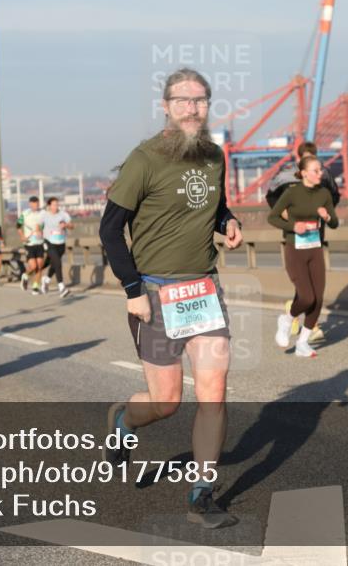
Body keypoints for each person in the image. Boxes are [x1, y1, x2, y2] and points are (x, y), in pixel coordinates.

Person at [99, 68, 243, 528]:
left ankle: (202, 490)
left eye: (199, 101)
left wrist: (228, 222)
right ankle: (124, 420)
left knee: (213, 394)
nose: (191, 108)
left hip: (203, 290)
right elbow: (110, 229)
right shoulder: (145, 159)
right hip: (156, 294)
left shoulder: (214, 157)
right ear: (165, 105)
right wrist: (132, 290)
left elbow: (213, 206)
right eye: (181, 100)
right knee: (165, 403)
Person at [266, 141, 340, 342]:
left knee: (314, 290)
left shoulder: (323, 176)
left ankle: (305, 330)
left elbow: (334, 196)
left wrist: (326, 214)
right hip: (295, 238)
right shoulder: (286, 174)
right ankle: (295, 317)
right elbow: (271, 196)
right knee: (306, 289)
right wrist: (285, 215)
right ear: (299, 161)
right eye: (306, 158)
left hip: (316, 236)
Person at [42, 197, 73, 297]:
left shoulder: (63, 214)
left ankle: (46, 280)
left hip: (60, 243)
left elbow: (72, 226)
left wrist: (66, 225)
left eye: (57, 204)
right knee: (58, 263)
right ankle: (62, 287)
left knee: (55, 264)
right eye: (54, 204)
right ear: (49, 206)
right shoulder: (44, 215)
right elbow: (37, 225)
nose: (56, 206)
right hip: (49, 242)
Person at [18, 196, 46, 294]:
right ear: (30, 204)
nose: (35, 206)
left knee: (39, 265)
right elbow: (18, 226)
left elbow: (46, 225)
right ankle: (25, 275)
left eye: (37, 204)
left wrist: (42, 230)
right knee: (33, 266)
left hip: (40, 242)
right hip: (29, 243)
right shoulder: (25, 214)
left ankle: (35, 287)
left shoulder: (43, 213)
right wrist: (22, 236)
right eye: (33, 204)